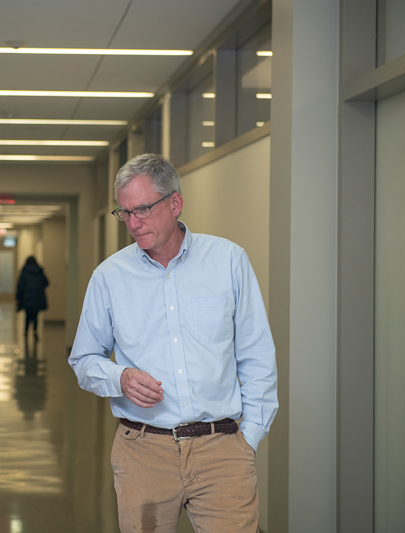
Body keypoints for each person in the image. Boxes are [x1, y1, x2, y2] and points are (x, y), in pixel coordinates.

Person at [69, 154, 277, 533]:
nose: (133, 223)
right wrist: (120, 377)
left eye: (143, 209)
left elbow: (257, 353)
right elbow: (83, 358)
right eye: (125, 212)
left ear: (175, 203)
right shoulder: (109, 277)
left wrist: (250, 438)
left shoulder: (228, 260)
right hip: (143, 452)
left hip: (222, 450)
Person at [15, 256, 49, 343]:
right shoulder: (39, 271)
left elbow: (20, 287)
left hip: (27, 298)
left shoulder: (24, 272)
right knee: (35, 316)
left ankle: (26, 332)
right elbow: (46, 283)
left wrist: (18, 298)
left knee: (27, 315)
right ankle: (35, 331)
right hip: (37, 298)